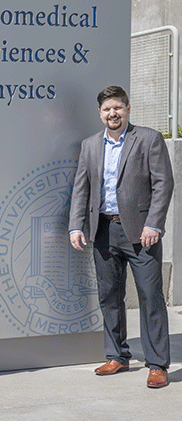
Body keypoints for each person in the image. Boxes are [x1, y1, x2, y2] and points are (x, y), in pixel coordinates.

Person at [68, 86, 173, 389]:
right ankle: (117, 355)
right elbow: (81, 188)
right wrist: (76, 225)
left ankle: (157, 364)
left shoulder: (148, 139)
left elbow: (163, 184)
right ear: (99, 113)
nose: (112, 114)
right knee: (109, 296)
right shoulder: (89, 145)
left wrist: (154, 224)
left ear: (128, 108)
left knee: (150, 297)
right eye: (106, 110)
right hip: (102, 230)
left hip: (142, 233)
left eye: (117, 108)